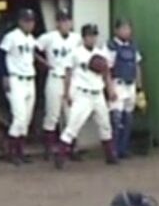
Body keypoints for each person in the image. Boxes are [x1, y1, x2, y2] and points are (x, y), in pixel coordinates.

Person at [58, 24, 118, 168]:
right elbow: (68, 74)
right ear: (84, 37)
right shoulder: (75, 53)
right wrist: (66, 93)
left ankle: (110, 156)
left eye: (94, 36)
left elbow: (106, 74)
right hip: (82, 94)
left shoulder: (101, 53)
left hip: (98, 94)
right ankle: (60, 157)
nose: (92, 38)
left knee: (105, 125)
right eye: (89, 36)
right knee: (73, 126)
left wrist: (111, 90)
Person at [0, 9, 38, 165]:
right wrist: (4, 75)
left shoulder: (31, 39)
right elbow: (0, 55)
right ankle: (11, 152)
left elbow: (33, 56)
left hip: (30, 80)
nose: (29, 24)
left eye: (31, 21)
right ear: (20, 21)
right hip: (15, 79)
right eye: (26, 21)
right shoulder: (11, 36)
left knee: (26, 118)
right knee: (19, 117)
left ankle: (20, 152)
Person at [35, 11, 77, 161]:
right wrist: (44, 63)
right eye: (62, 21)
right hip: (54, 78)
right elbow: (32, 49)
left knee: (72, 116)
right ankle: (48, 149)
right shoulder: (48, 37)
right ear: (57, 23)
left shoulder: (76, 38)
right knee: (52, 115)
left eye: (67, 21)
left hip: (71, 80)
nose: (65, 24)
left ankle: (70, 150)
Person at [107, 18, 144, 160]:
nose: (126, 31)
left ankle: (124, 149)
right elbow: (106, 69)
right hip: (118, 83)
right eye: (123, 28)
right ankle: (113, 150)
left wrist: (139, 88)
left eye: (128, 28)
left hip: (131, 85)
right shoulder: (111, 46)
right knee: (116, 118)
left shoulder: (132, 46)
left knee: (128, 118)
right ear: (116, 30)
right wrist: (110, 88)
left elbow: (137, 66)